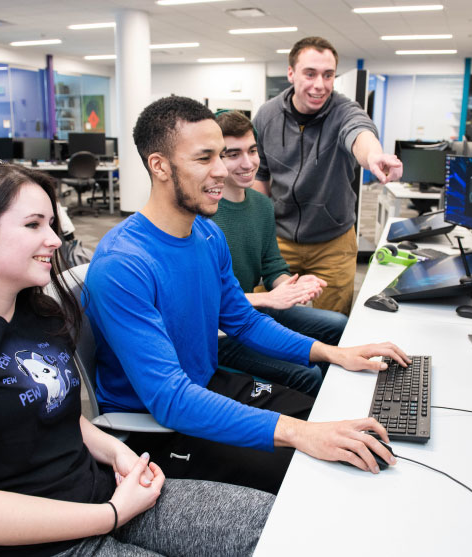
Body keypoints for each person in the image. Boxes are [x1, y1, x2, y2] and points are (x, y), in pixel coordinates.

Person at [0, 154, 273, 556]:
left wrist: (120, 453)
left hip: (102, 495)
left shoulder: (35, 313)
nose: (53, 239)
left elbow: (56, 415)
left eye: (50, 223)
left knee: (275, 525)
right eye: (33, 225)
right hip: (41, 543)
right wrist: (112, 515)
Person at [84, 95, 411, 494]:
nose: (222, 170)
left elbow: (244, 321)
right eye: (205, 158)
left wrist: (334, 353)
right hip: (161, 428)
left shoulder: (206, 234)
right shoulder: (123, 265)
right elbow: (168, 397)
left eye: (221, 155)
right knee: (323, 475)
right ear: (160, 166)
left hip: (209, 387)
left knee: (338, 417)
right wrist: (299, 434)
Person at [252, 36, 403, 316]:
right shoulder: (266, 116)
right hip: (280, 238)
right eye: (310, 74)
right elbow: (260, 177)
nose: (319, 85)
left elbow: (359, 132)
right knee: (265, 315)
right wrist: (258, 231)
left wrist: (373, 157)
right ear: (291, 73)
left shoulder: (344, 111)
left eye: (328, 75)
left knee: (333, 322)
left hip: (333, 240)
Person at [210, 109, 348, 397]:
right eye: (233, 154)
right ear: (216, 159)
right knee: (307, 372)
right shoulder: (204, 216)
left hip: (254, 309)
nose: (248, 163)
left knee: (339, 325)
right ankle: (310, 424)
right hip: (220, 331)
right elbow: (207, 302)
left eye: (252, 151)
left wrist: (292, 288)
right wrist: (269, 298)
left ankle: (333, 406)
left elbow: (272, 265)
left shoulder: (261, 205)